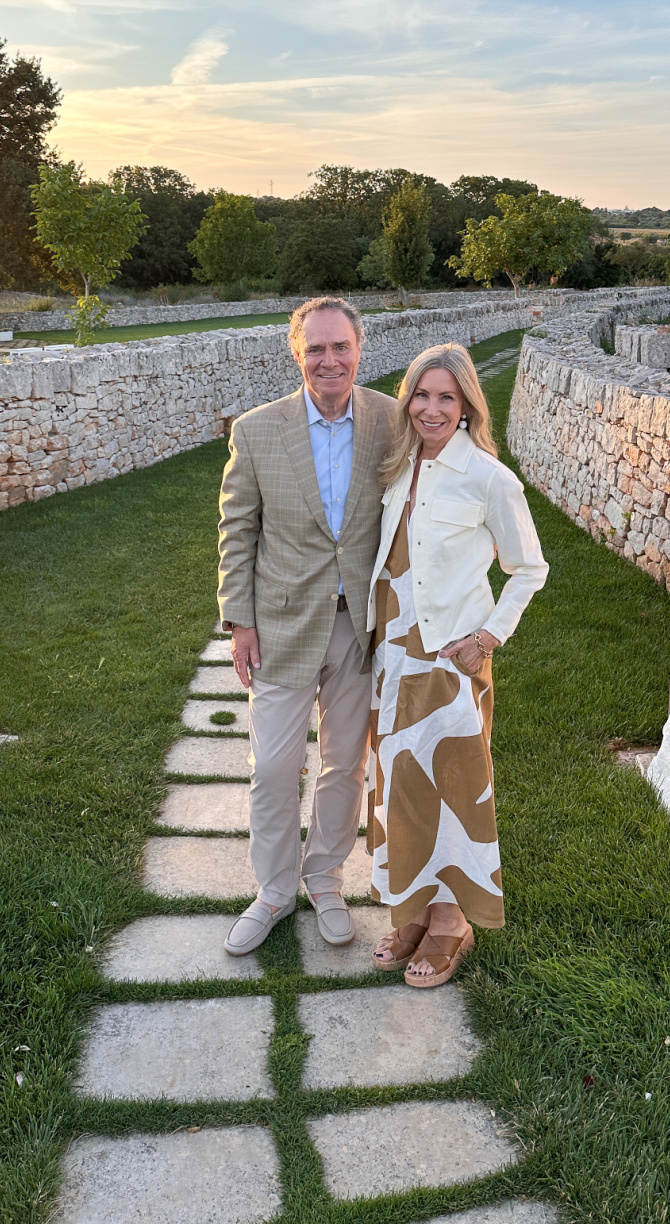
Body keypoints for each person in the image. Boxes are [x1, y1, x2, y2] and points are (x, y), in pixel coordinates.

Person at [217, 297, 398, 956]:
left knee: (345, 764)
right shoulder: (257, 431)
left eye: (340, 347)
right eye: (315, 349)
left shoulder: (391, 421)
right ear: (298, 355)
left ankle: (324, 878)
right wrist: (239, 620)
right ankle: (272, 891)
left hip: (359, 627)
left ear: (359, 349)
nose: (329, 360)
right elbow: (238, 529)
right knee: (272, 766)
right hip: (282, 625)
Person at [365, 342, 548, 986]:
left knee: (451, 786)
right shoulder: (399, 467)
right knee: (402, 786)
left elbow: (530, 568)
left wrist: (488, 638)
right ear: (407, 400)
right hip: (392, 656)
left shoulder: (489, 477)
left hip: (449, 660)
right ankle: (414, 910)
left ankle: (451, 923)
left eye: (447, 397)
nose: (432, 409)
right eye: (422, 394)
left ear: (468, 405)